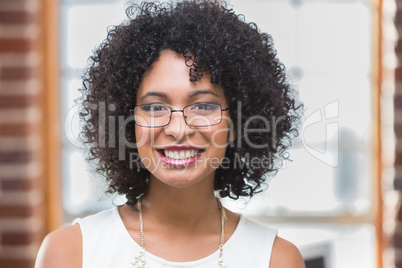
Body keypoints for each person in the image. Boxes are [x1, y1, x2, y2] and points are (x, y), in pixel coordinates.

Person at [35, 1, 304, 267]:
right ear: (128, 124)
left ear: (236, 122)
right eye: (154, 106)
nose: (178, 129)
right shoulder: (71, 253)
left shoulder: (275, 259)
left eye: (203, 106)